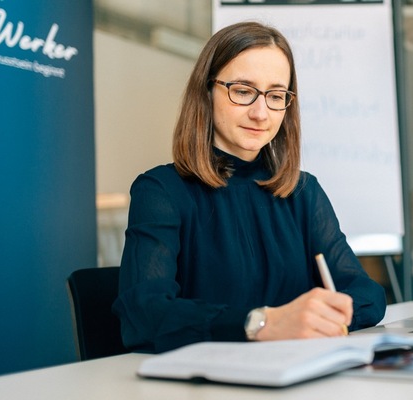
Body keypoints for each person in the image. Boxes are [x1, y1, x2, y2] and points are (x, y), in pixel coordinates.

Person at [112, 21, 386, 353]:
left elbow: (366, 293)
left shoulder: (303, 191)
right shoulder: (160, 191)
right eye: (243, 91)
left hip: (299, 375)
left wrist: (324, 318)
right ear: (206, 91)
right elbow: (143, 315)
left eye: (275, 95)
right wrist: (262, 324)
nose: (260, 113)